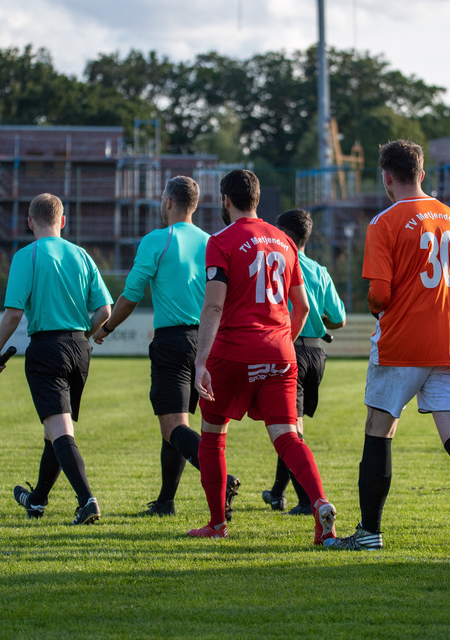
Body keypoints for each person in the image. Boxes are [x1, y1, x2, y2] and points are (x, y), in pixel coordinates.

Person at [324, 139, 450, 560]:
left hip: (403, 344)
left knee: (379, 429)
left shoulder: (384, 222)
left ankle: (370, 532)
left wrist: (384, 302)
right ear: (422, 173)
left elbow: (379, 295)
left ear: (386, 177)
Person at [190, 169, 337, 543]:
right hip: (281, 351)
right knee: (288, 437)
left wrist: (200, 360)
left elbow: (213, 308)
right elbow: (303, 306)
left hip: (234, 351)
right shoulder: (285, 241)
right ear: (256, 199)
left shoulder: (220, 241)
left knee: (212, 435)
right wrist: (281, 339)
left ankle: (217, 524)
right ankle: (319, 503)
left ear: (226, 200)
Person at [93, 176, 240, 519]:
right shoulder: (212, 242)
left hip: (173, 342)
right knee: (178, 425)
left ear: (169, 202)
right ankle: (165, 502)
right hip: (207, 341)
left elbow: (130, 297)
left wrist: (107, 328)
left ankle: (223, 478)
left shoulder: (158, 240)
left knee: (173, 426)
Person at [0, 193, 112, 525]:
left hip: (47, 348)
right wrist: (84, 336)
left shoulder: (26, 256)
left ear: (30, 222)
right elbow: (104, 311)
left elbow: (14, 313)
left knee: (60, 429)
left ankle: (87, 500)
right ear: (63, 221)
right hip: (80, 348)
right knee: (55, 431)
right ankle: (37, 500)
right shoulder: (82, 254)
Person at [261, 209, 346, 515]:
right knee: (290, 425)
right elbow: (338, 319)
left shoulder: (277, 265)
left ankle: (307, 500)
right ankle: (277, 493)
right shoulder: (321, 271)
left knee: (289, 430)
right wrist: (320, 320)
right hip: (317, 355)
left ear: (283, 235)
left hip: (290, 351)